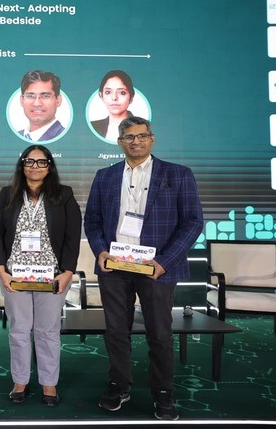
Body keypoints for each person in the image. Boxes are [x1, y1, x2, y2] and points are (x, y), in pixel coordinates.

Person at [83, 116, 203, 421]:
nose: (136, 141)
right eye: (129, 137)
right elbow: (93, 220)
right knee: (115, 331)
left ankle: (163, 392)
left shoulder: (178, 174)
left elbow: (192, 223)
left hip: (156, 268)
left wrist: (164, 262)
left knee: (160, 333)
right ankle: (118, 385)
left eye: (142, 136)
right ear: (120, 142)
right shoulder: (105, 176)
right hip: (114, 267)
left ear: (152, 138)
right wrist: (100, 251)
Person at [0, 144, 81, 406]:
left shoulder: (64, 194)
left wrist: (68, 272)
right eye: (29, 162)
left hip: (52, 276)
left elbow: (72, 236)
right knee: (18, 329)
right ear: (22, 166)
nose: (35, 167)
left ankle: (48, 383)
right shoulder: (8, 194)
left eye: (41, 162)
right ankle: (20, 380)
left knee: (47, 330)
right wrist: (1, 271)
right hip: (14, 276)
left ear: (49, 167)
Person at [16, 70, 66, 142]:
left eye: (45, 96)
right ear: (22, 100)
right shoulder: (15, 136)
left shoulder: (67, 138)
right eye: (30, 96)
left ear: (58, 100)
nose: (37, 104)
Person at [91, 70, 135, 141]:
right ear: (101, 96)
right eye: (108, 92)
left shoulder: (142, 127)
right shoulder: (93, 126)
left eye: (122, 93)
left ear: (131, 97)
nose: (114, 98)